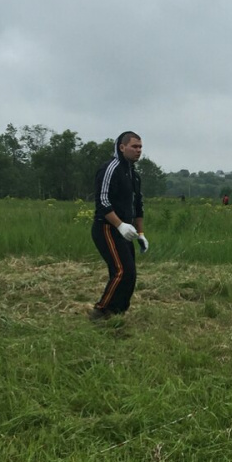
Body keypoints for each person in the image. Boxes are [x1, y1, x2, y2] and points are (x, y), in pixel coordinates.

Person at [90, 131, 148, 320]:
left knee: (130, 274)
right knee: (121, 271)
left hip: (126, 232)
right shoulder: (110, 168)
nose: (138, 150)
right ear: (122, 147)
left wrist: (140, 233)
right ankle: (100, 311)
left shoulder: (134, 175)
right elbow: (103, 201)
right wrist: (120, 225)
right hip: (107, 228)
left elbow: (138, 206)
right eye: (134, 146)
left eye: (140, 147)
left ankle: (118, 312)